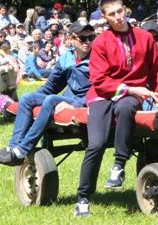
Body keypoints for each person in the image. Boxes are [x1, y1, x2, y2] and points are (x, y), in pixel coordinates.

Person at [75, 0, 158, 218]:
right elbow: (99, 80)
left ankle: (119, 165)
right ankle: (83, 198)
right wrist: (132, 89)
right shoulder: (100, 43)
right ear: (105, 18)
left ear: (125, 9)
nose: (118, 17)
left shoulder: (145, 37)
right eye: (112, 14)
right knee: (96, 145)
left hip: (131, 96)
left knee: (127, 107)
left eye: (120, 11)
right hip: (102, 96)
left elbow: (157, 69)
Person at [0, 22, 94, 166]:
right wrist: (33, 100)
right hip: (69, 98)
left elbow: (101, 87)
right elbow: (51, 86)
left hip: (85, 101)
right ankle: (13, 148)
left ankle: (22, 149)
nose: (88, 42)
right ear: (71, 38)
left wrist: (81, 103)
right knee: (27, 98)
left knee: (50, 100)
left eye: (91, 37)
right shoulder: (66, 58)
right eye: (83, 38)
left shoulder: (97, 59)